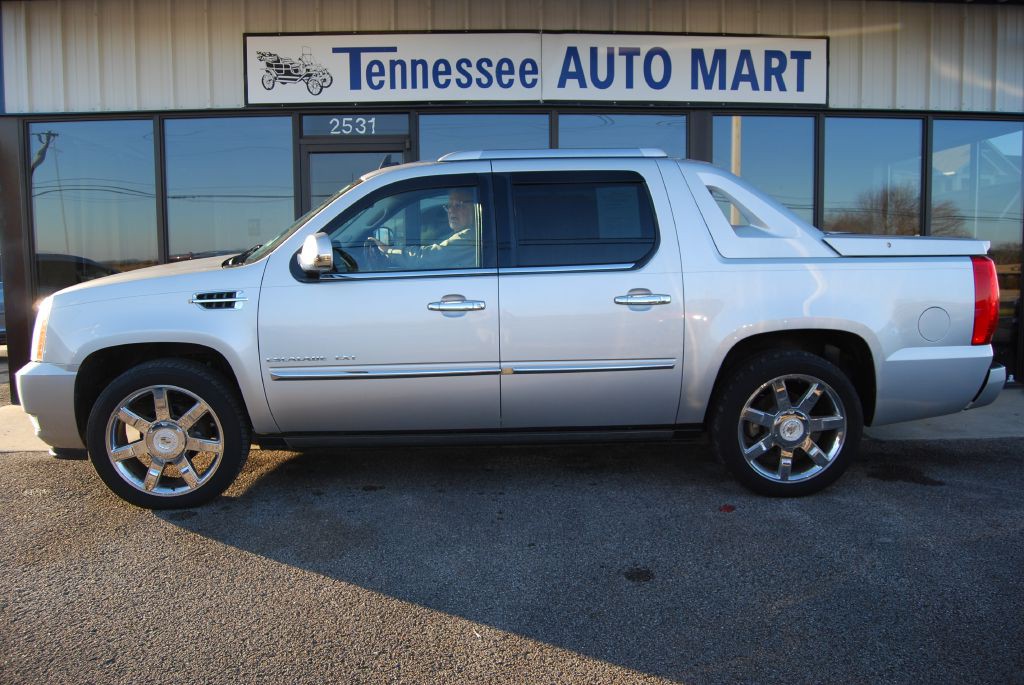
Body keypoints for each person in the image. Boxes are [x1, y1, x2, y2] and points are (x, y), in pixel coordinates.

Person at [366, 187, 478, 269]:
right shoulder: (459, 235)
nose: (451, 210)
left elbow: (427, 258)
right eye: (449, 206)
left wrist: (388, 251)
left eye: (458, 205)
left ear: (476, 208)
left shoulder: (472, 236)